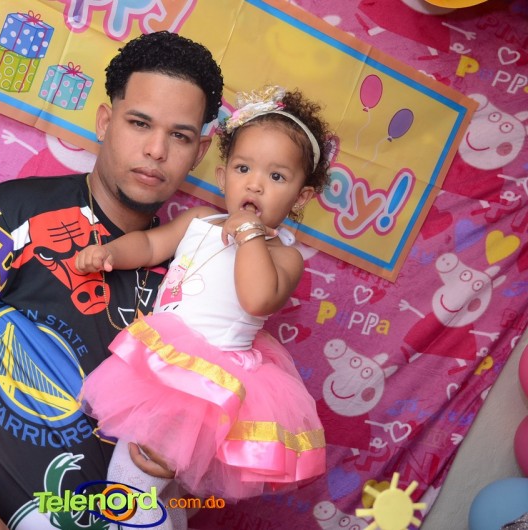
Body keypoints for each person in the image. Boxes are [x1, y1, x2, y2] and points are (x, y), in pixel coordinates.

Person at [0, 31, 223, 529]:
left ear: (200, 151)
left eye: (179, 136)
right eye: (139, 123)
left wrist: (177, 464)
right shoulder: (13, 214)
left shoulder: (196, 272)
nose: (156, 149)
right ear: (105, 121)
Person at [75, 86, 330, 529]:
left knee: (139, 483)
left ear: (301, 197)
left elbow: (257, 298)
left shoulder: (284, 256)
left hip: (208, 387)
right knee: (147, 484)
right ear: (223, 175)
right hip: (163, 364)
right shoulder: (199, 222)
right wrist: (110, 252)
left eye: (276, 177)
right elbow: (150, 244)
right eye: (244, 168)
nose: (254, 184)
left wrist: (249, 233)